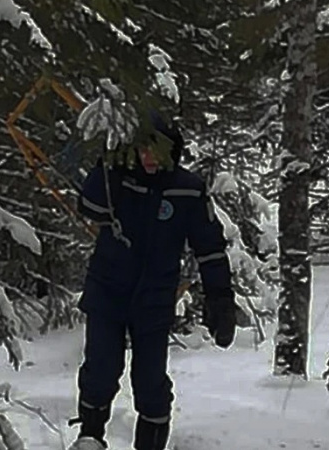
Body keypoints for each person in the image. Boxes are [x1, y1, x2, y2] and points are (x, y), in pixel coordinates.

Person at [67, 111, 237, 450]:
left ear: (170, 150)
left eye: (155, 150)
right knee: (100, 371)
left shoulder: (187, 190)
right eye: (141, 150)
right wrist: (108, 165)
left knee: (150, 384)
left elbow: (210, 247)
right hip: (107, 293)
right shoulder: (118, 178)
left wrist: (220, 296)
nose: (147, 158)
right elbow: (88, 206)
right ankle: (90, 438)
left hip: (154, 300)